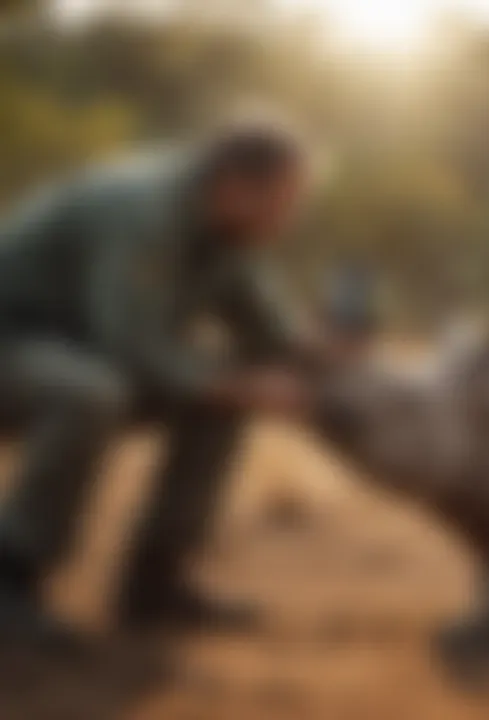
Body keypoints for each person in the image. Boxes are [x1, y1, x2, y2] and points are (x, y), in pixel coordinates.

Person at [0, 116, 315, 646]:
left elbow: (270, 331)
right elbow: (132, 345)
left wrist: (338, 370)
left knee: (218, 397)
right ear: (236, 186)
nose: (291, 215)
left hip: (66, 351)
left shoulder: (224, 228)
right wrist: (238, 385)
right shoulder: (144, 213)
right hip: (15, 338)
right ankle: (9, 577)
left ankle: (156, 584)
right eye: (285, 199)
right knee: (92, 391)